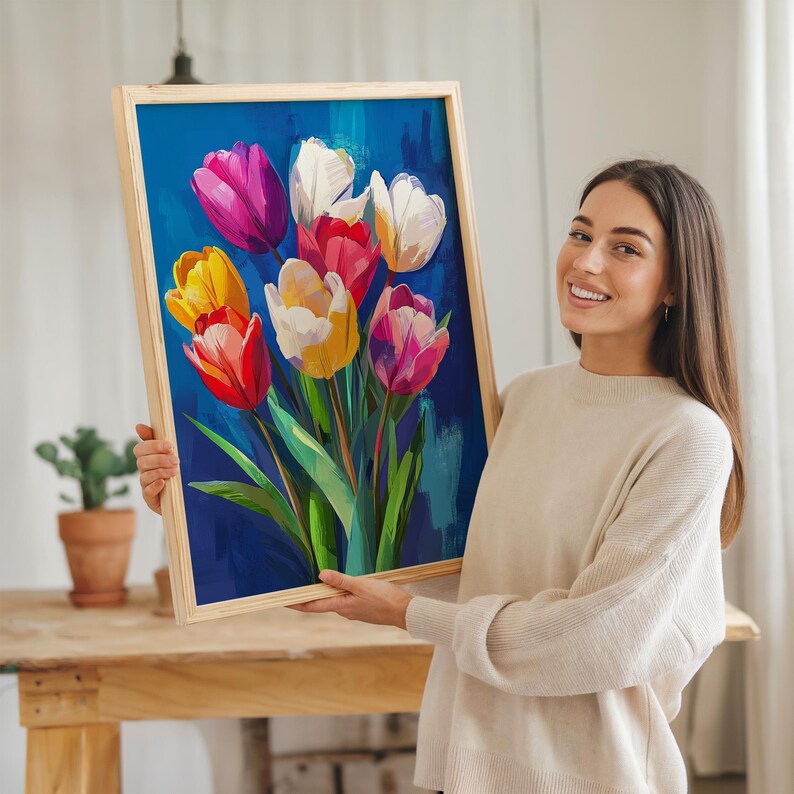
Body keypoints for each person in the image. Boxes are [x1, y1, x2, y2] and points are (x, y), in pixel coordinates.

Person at [134, 158, 745, 793]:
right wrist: (191, 508)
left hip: (590, 777)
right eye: (582, 234)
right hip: (458, 764)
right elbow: (449, 565)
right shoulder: (523, 402)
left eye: (625, 248)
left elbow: (597, 640)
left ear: (676, 283)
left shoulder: (687, 436)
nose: (588, 262)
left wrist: (411, 616)